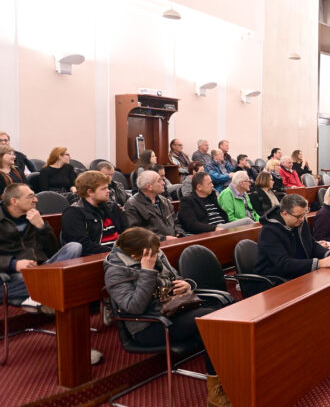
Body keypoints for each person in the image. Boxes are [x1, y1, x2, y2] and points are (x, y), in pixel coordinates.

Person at [103, 227, 230, 407]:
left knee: (227, 310)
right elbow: (134, 307)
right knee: (213, 319)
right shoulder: (115, 270)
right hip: (149, 326)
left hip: (175, 311)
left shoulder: (155, 253)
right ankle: (216, 393)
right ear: (134, 256)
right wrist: (147, 272)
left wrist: (186, 285)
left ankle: (230, 378)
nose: (157, 255)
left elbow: (176, 277)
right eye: (152, 254)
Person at [0, 183, 84, 312]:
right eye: (30, 196)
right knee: (18, 281)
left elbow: (53, 250)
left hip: (42, 268)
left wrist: (42, 227)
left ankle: (36, 296)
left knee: (74, 247)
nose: (36, 199)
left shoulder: (35, 215)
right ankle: (47, 293)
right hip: (13, 273)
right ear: (14, 201)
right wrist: (13, 264)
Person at [255, 194, 330, 280]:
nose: (302, 219)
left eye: (304, 214)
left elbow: (312, 245)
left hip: (300, 273)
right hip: (276, 280)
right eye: (298, 216)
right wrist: (319, 263)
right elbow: (284, 264)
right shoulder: (269, 231)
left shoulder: (299, 222)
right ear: (285, 214)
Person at [61, 170, 126, 255]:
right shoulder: (74, 213)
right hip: (95, 258)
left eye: (108, 187)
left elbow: (126, 232)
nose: (108, 191)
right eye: (103, 188)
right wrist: (115, 252)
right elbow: (83, 245)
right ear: (90, 192)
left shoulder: (112, 207)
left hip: (118, 255)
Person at [124, 170, 185, 241]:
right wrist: (163, 239)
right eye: (159, 181)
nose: (163, 183)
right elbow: (136, 233)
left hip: (173, 241)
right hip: (152, 246)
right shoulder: (132, 205)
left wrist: (179, 233)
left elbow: (176, 222)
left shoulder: (164, 201)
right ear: (149, 187)